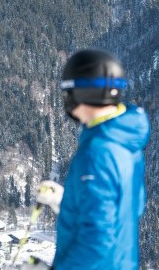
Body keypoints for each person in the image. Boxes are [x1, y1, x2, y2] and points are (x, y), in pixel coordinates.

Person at [33, 49, 150, 269]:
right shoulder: (125, 143)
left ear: (83, 94)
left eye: (68, 92)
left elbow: (97, 241)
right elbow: (127, 207)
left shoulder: (98, 152)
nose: (66, 100)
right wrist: (68, 201)